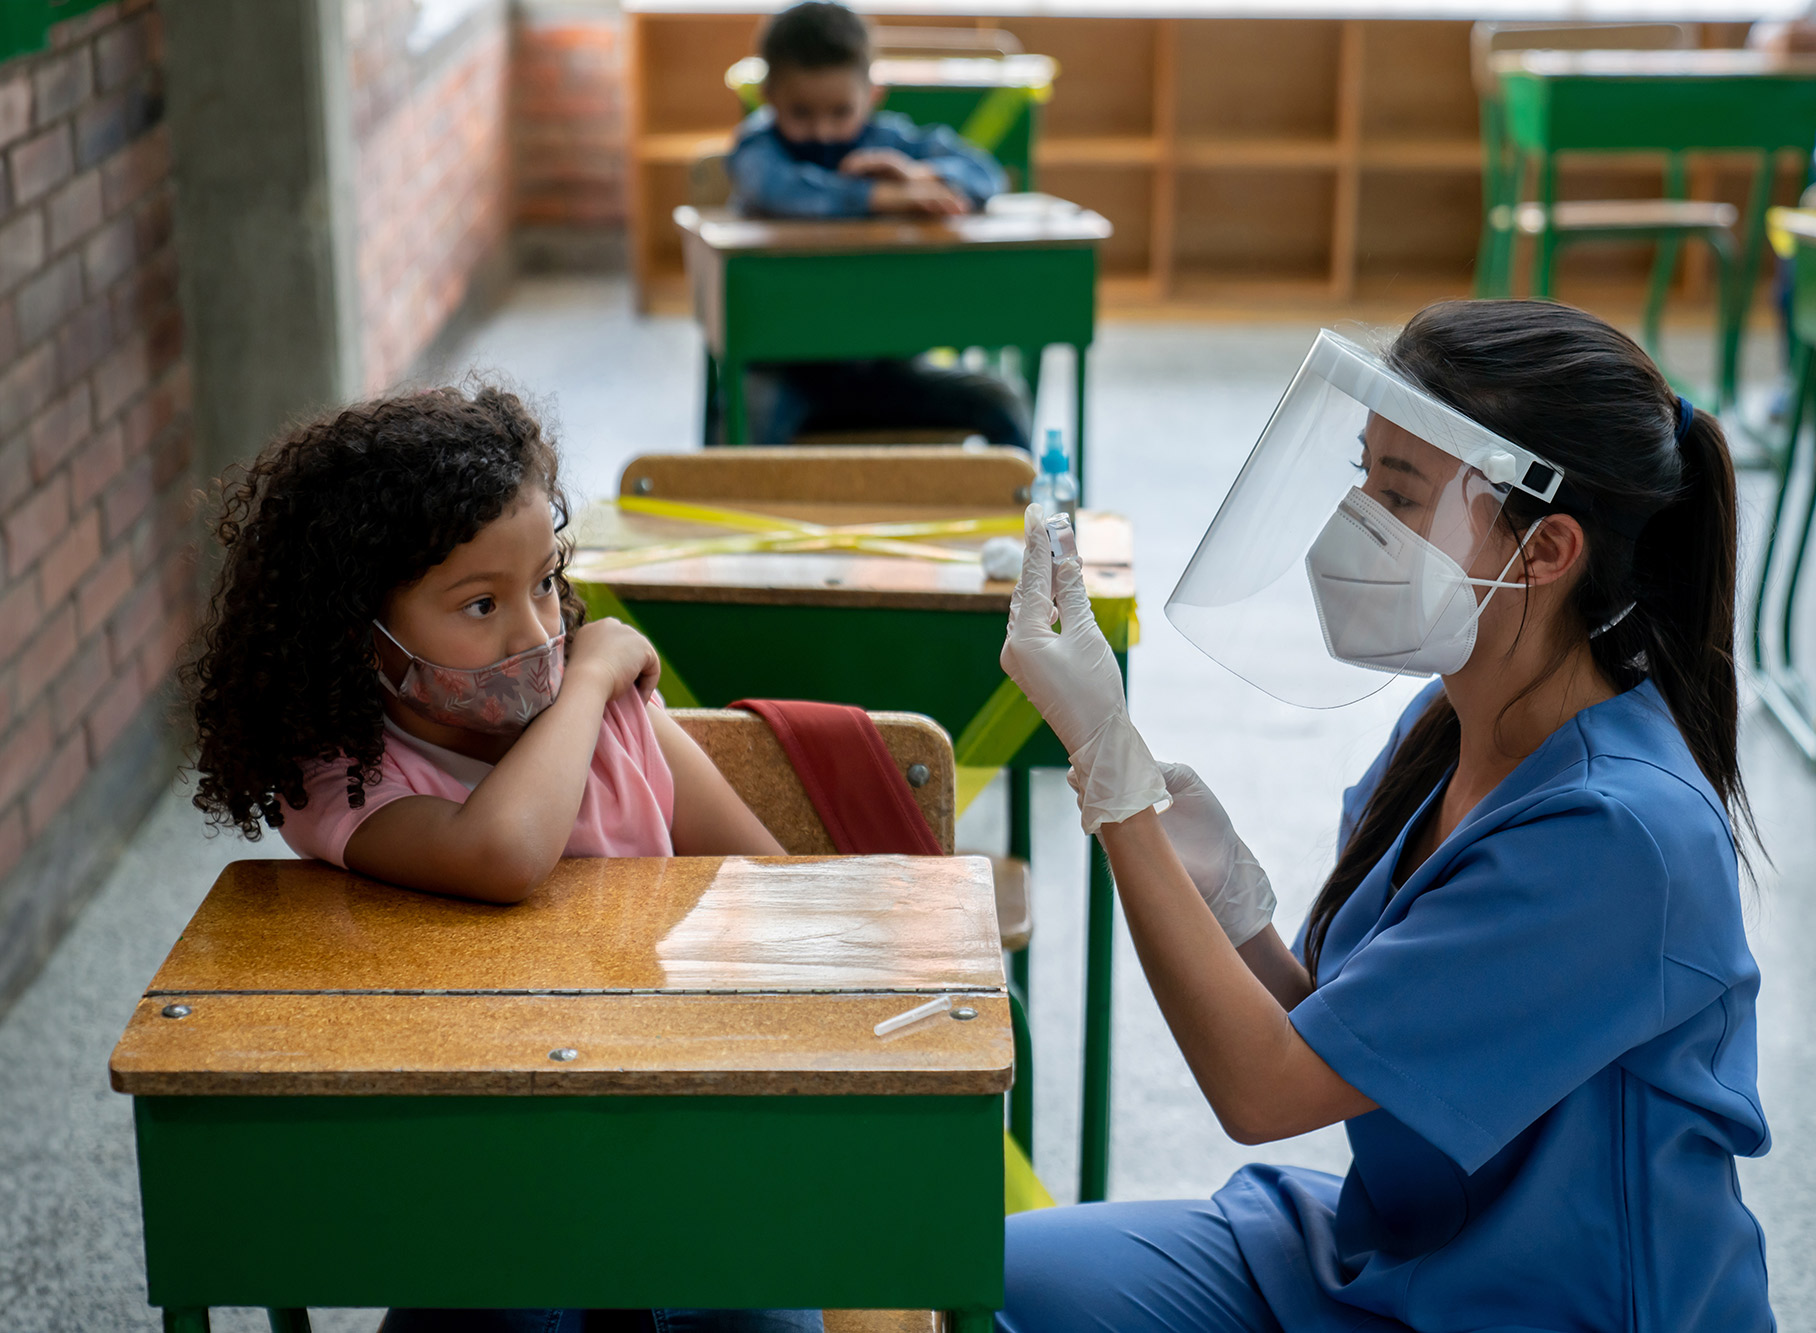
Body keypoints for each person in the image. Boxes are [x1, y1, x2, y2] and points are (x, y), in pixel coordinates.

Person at [996, 300, 1770, 1331]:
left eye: (1397, 493)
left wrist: (1113, 779)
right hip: (1396, 1255)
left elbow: (1263, 1092)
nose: (1353, 517)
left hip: (1546, 1308)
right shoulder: (1454, 718)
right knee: (979, 1275)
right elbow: (1360, 1035)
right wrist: (1232, 911)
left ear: (1545, 550)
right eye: (1362, 474)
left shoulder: (1617, 835)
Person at [182, 385, 814, 1333]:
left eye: (548, 583)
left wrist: (607, 702)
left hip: (668, 1123)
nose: (537, 634)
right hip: (479, 1155)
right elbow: (504, 851)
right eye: (481, 603)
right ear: (362, 634)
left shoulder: (621, 728)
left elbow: (775, 891)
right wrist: (596, 673)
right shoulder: (346, 779)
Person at [719, 0, 1029, 449]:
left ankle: (1028, 520)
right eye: (801, 113)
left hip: (890, 368)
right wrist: (880, 197)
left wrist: (918, 174)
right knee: (746, 418)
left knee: (1003, 400)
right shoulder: (757, 149)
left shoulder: (891, 141)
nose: (823, 132)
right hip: (788, 369)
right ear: (767, 96)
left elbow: (985, 174)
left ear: (873, 94)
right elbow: (775, 189)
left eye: (841, 112)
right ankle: (738, 522)